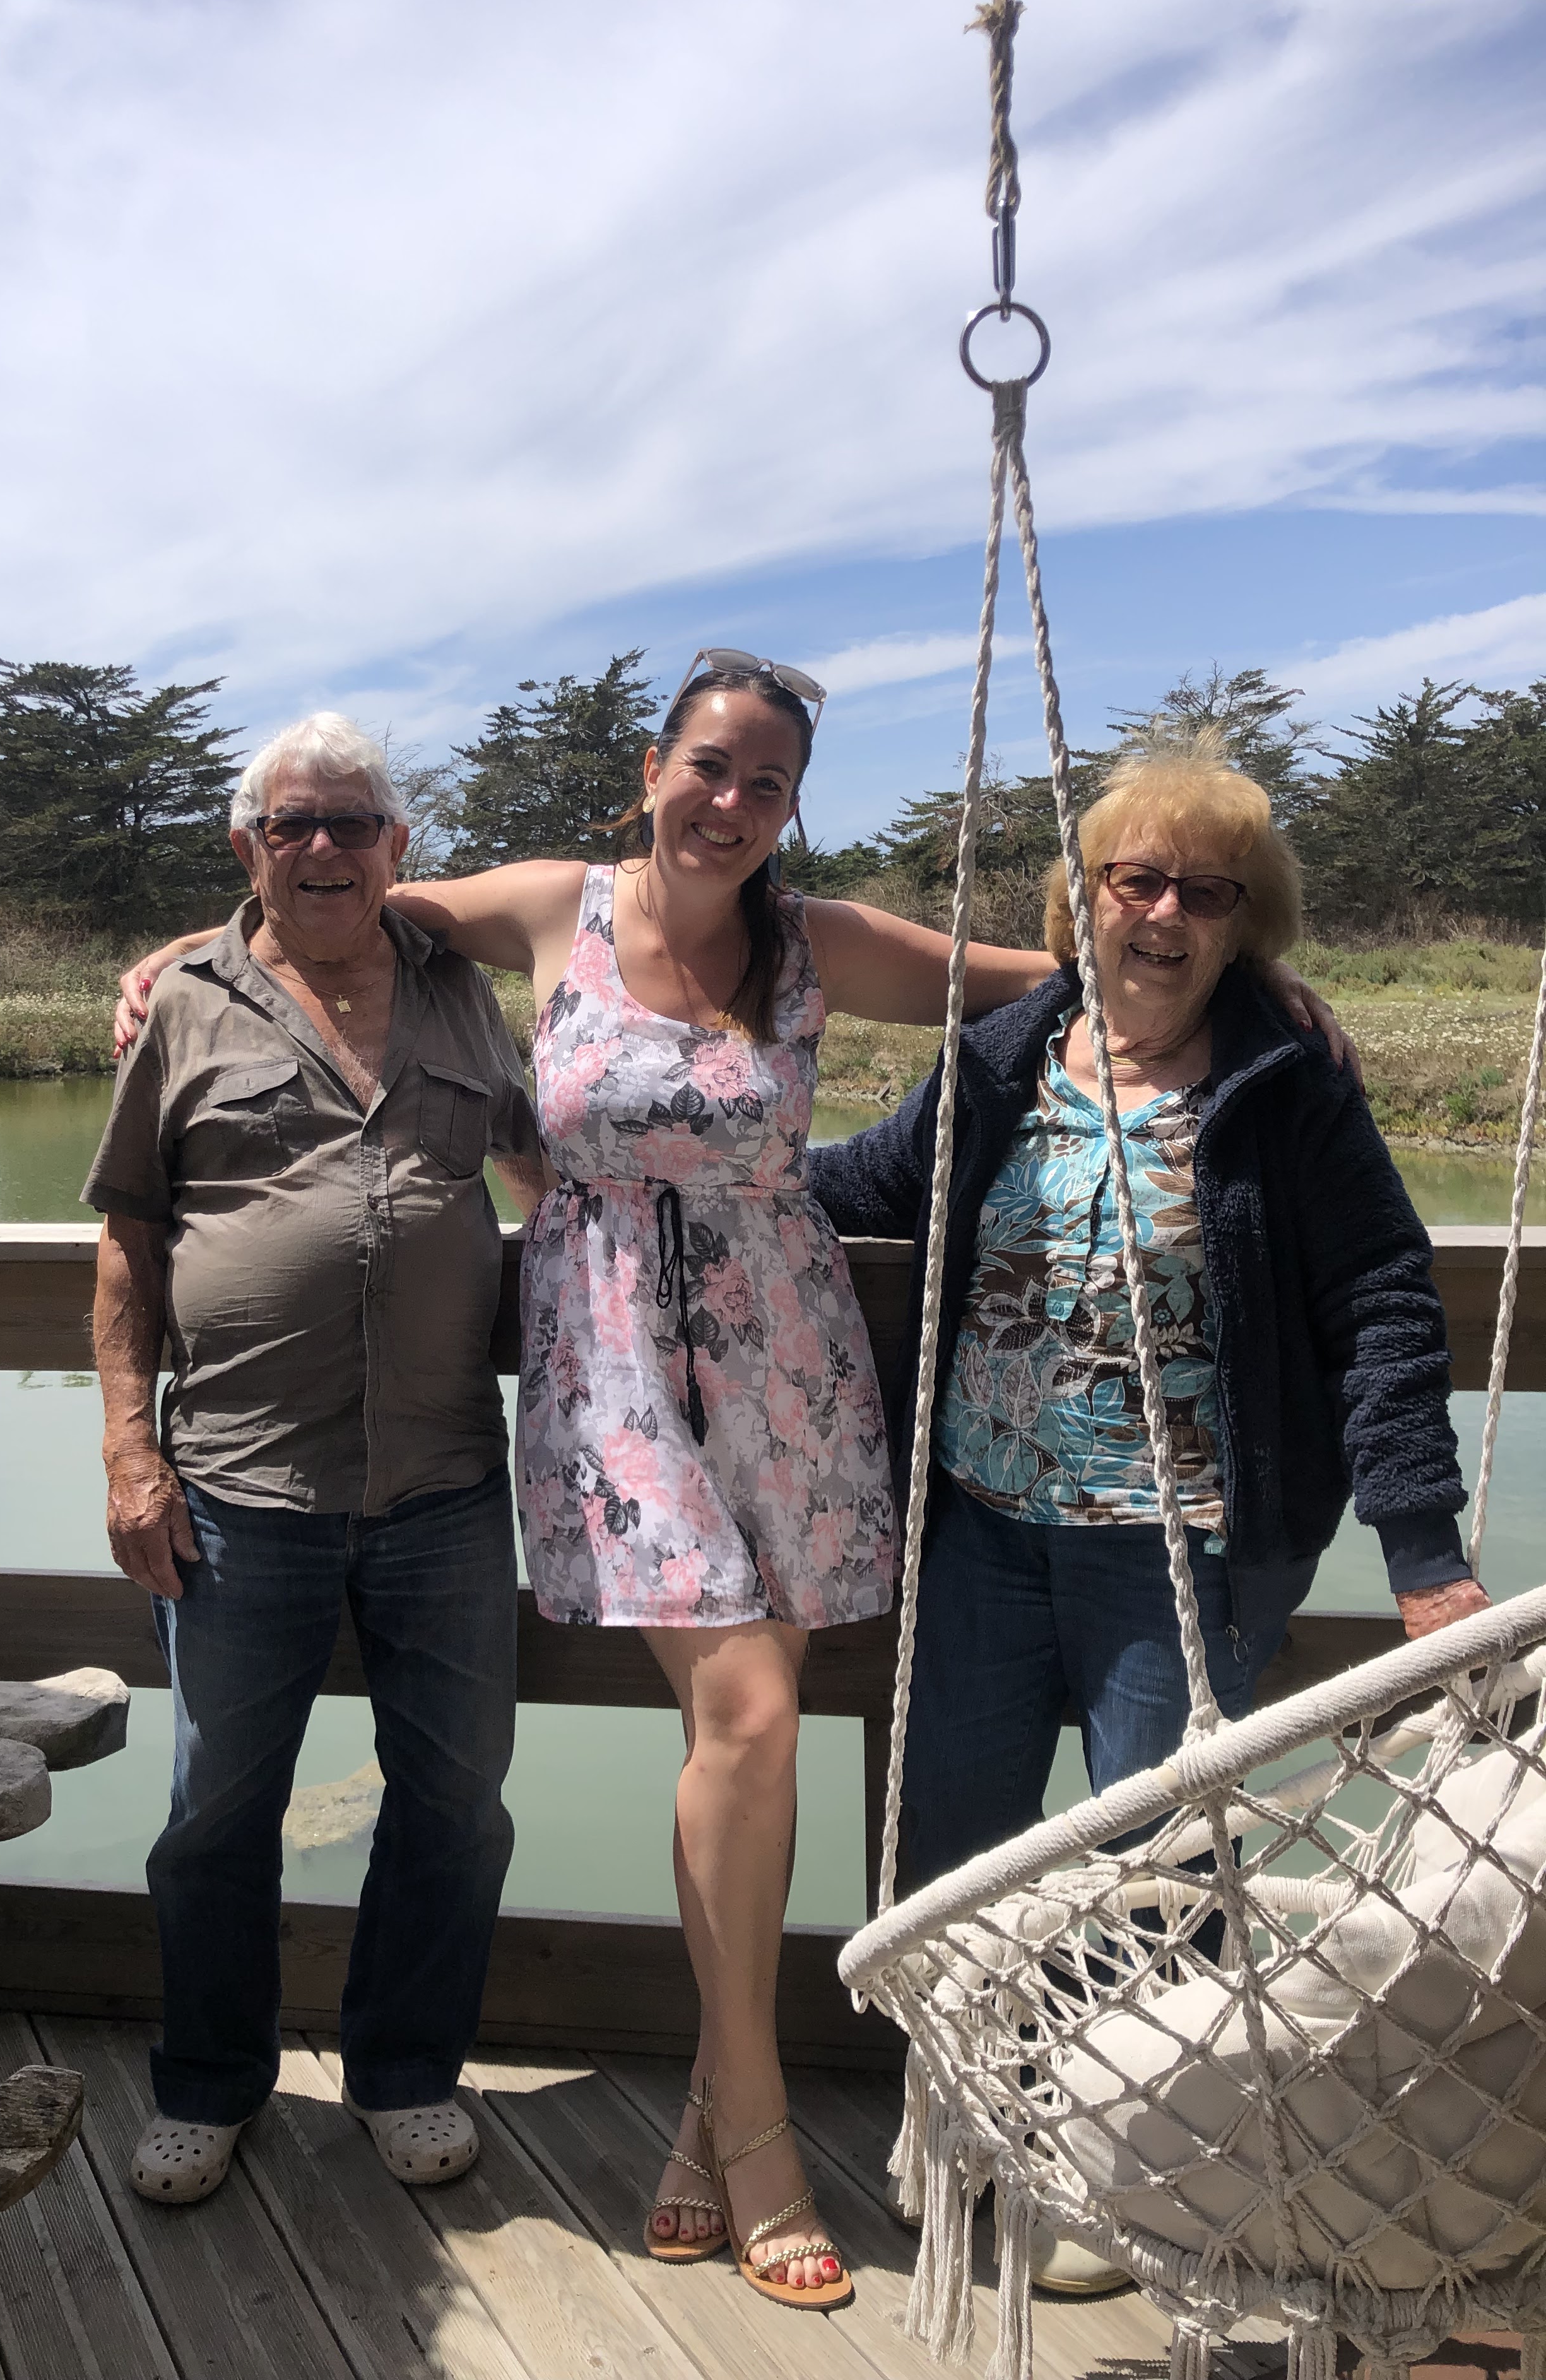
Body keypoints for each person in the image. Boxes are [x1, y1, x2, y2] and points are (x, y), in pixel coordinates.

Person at [116, 655, 1355, 2309]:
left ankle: (711, 2108)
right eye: (708, 766)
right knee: (756, 1716)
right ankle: (764, 2134)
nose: (731, 802)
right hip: (608, 1366)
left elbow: (1070, 968)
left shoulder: (816, 941)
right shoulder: (551, 905)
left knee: (741, 1743)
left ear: (790, 806)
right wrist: (174, 959)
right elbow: (339, 897)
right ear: (653, 768)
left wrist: (1264, 987)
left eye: (767, 783)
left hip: (789, 1365)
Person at [806, 736, 1489, 2293]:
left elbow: (1385, 1302)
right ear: (1086, 898)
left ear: (1248, 926)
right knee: (950, 1858)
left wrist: (1424, 1552)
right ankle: (961, 2122)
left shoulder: (1287, 1086)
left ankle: (1129, 2168)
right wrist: (685, 1170)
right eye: (1139, 880)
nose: (1166, 913)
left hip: (1186, 1554)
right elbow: (866, 1184)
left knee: (1159, 1880)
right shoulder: (1002, 1059)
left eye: (1208, 892)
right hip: (981, 1534)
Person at [85, 712, 547, 2210]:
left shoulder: (463, 995)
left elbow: (542, 1167)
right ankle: (208, 2084)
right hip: (238, 1489)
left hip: (447, 1485)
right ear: (250, 848)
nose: (326, 847)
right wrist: (130, 1452)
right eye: (294, 824)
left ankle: (404, 2073)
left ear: (399, 846)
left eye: (354, 822)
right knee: (218, 1814)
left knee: (457, 1807)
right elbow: (130, 1237)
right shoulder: (185, 1004)